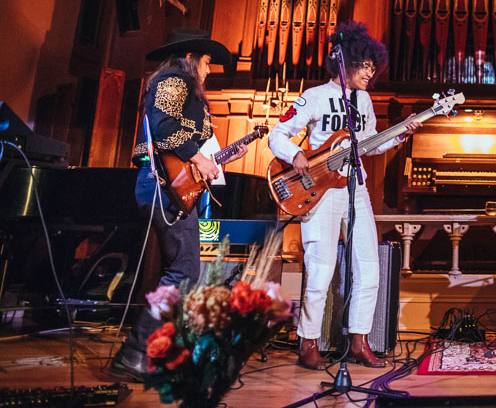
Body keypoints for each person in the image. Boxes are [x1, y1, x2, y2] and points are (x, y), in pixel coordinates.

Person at [269, 21, 419, 370]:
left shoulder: (363, 100)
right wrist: (295, 155)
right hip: (319, 191)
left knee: (369, 267)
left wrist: (400, 134)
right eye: (365, 66)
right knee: (321, 268)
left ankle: (359, 340)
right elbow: (278, 133)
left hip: (355, 187)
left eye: (373, 67)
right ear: (347, 62)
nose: (370, 73)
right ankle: (308, 342)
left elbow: (370, 144)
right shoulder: (315, 97)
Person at [111, 28, 244, 380]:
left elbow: (189, 145)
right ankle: (134, 354)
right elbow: (163, 124)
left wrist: (215, 157)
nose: (209, 70)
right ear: (190, 58)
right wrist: (198, 158)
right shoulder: (173, 78)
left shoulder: (185, 89)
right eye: (206, 62)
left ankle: (151, 351)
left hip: (174, 188)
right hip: (161, 187)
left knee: (183, 272)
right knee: (184, 272)